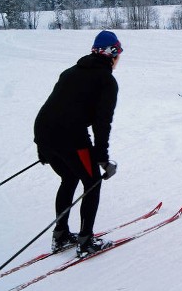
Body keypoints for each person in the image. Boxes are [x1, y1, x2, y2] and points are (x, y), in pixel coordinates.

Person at [34, 30, 123, 256]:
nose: (119, 58)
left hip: (44, 133)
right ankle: (86, 242)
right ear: (111, 53)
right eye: (118, 53)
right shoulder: (107, 81)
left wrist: (42, 147)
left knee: (70, 177)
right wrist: (101, 158)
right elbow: (102, 123)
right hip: (70, 137)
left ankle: (61, 235)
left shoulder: (70, 72)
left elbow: (52, 108)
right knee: (92, 182)